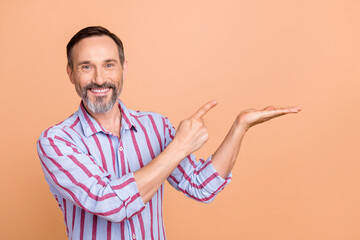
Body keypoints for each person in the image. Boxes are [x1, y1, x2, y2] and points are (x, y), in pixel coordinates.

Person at [37, 26, 301, 240]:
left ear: (123, 69)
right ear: (71, 73)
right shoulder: (57, 141)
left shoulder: (155, 126)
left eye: (108, 65)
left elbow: (202, 186)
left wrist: (240, 126)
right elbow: (109, 204)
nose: (98, 78)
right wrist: (179, 147)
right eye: (86, 66)